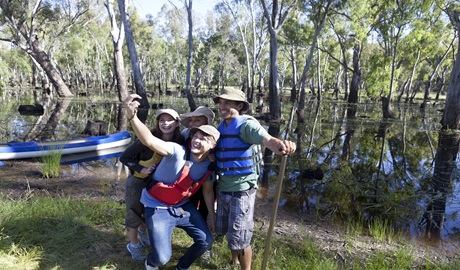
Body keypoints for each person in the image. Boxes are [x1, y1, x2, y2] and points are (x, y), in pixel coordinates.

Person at [124, 94, 219, 270]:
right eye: (195, 136)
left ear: (213, 145)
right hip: (157, 206)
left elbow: (207, 191)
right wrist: (132, 117)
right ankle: (150, 264)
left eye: (203, 138)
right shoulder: (177, 150)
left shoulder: (209, 166)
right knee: (161, 257)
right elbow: (149, 140)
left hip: (182, 206)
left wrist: (211, 219)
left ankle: (182, 266)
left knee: (206, 241)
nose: (197, 140)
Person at [213, 87, 296, 270]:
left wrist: (282, 146)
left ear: (240, 105)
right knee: (229, 230)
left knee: (241, 236)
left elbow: (267, 140)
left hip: (242, 190)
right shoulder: (222, 125)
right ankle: (234, 261)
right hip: (224, 186)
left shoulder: (246, 125)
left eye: (227, 103)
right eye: (221, 102)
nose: (222, 106)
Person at [119, 109, 184, 261]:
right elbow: (125, 157)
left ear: (177, 123)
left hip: (157, 185)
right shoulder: (146, 139)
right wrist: (142, 169)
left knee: (149, 212)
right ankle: (134, 246)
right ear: (157, 122)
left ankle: (144, 233)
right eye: (162, 120)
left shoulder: (180, 140)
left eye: (170, 120)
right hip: (137, 182)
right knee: (134, 212)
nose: (165, 123)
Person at [180, 106, 215, 220]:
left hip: (207, 177)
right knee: (190, 205)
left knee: (205, 206)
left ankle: (205, 226)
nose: (192, 123)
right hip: (188, 178)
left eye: (197, 120)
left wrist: (212, 155)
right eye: (191, 120)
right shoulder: (185, 134)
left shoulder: (214, 137)